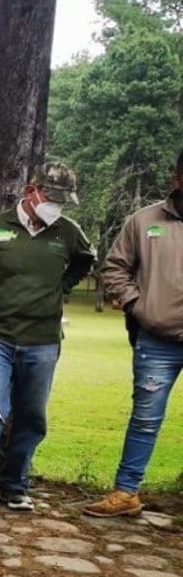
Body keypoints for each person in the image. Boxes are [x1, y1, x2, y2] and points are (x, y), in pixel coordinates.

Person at [0, 163, 96, 511]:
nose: (56, 207)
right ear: (31, 191)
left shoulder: (68, 233)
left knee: (32, 414)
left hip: (43, 339)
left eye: (62, 202)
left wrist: (62, 288)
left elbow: (88, 260)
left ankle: (14, 484)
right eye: (51, 199)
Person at [83, 151, 183, 518]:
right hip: (156, 340)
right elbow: (115, 267)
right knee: (145, 418)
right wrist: (136, 306)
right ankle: (126, 494)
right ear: (177, 179)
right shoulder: (144, 221)